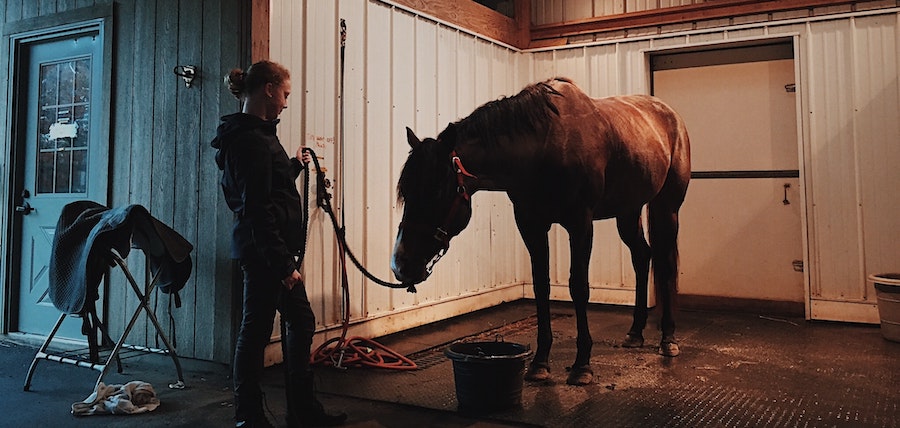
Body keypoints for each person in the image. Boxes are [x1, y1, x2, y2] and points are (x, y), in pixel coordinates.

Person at [211, 60, 347, 428]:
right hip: (265, 254)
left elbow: (266, 185)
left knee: (297, 323)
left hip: (268, 251)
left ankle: (299, 411)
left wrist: (294, 166)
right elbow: (257, 208)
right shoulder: (250, 139)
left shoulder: (257, 134)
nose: (287, 102)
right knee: (256, 332)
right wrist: (283, 266)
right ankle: (251, 417)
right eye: (285, 93)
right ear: (269, 89)